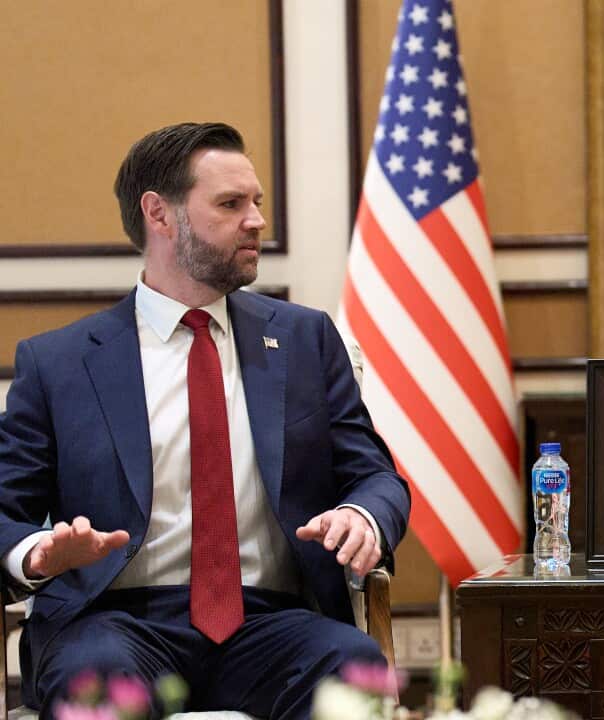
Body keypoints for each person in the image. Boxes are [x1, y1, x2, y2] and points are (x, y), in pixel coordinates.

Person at [0, 122, 411, 719]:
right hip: (116, 623)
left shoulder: (305, 339)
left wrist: (362, 514)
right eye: (230, 204)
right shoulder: (59, 362)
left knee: (352, 668)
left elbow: (375, 476)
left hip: (269, 621)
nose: (257, 221)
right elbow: (4, 509)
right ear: (159, 215)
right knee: (95, 681)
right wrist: (39, 553)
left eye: (257, 202)